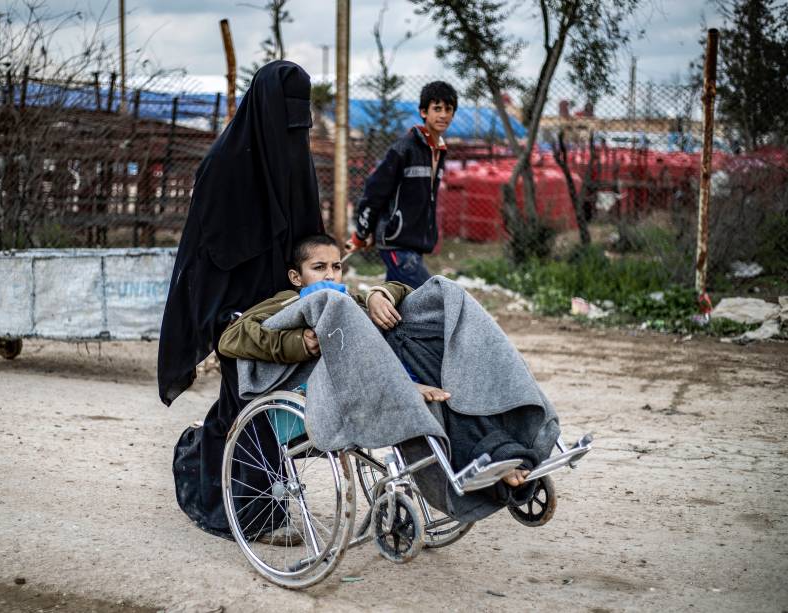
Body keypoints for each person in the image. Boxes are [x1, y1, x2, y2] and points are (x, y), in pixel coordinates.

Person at [157, 60, 324, 538]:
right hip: (229, 306)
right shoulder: (224, 167)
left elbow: (307, 234)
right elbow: (212, 253)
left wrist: (313, 283)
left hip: (284, 302)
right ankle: (253, 514)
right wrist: (234, 313)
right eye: (288, 116)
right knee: (252, 397)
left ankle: (206, 473)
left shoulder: (296, 161)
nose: (296, 129)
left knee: (254, 403)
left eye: (303, 118)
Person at [219, 233, 531, 489]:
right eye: (319, 267)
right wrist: (295, 342)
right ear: (296, 276)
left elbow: (404, 291)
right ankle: (407, 387)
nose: (330, 274)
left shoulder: (348, 300)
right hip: (324, 393)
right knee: (341, 311)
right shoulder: (286, 301)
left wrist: (377, 294)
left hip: (377, 376)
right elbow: (230, 338)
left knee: (445, 372)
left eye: (337, 266)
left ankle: (496, 449)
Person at [347, 81, 458, 288]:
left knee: (397, 301)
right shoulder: (404, 149)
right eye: (437, 109)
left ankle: (377, 320)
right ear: (423, 112)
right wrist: (362, 233)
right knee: (430, 294)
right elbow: (374, 190)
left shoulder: (439, 152)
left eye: (448, 109)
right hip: (396, 241)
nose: (443, 115)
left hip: (415, 242)